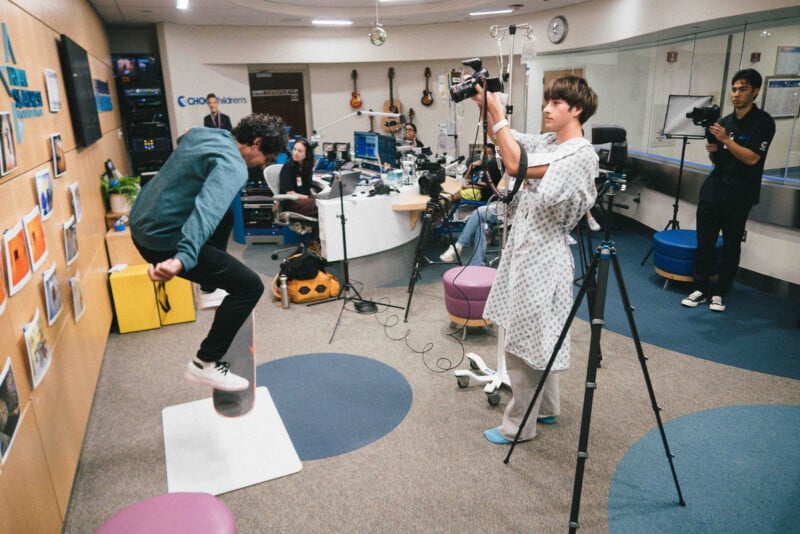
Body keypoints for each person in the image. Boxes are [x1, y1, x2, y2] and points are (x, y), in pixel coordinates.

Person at [474, 76, 599, 445]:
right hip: (526, 251)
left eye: (557, 103)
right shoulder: (549, 143)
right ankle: (547, 408)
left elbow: (514, 165)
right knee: (539, 334)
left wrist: (497, 109)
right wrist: (484, 103)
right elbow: (507, 140)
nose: (547, 108)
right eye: (548, 101)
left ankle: (517, 427)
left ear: (577, 110)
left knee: (521, 341)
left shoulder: (579, 155)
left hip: (544, 256)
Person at [129, 113, 287, 391]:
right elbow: (205, 211)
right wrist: (182, 259)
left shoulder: (205, 135)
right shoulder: (233, 166)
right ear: (256, 142)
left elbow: (186, 136)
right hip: (164, 243)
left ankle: (209, 285)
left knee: (226, 214)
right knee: (250, 287)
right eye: (268, 158)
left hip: (142, 222)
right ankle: (204, 363)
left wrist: (189, 133)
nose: (264, 165)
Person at [681, 69, 775, 313]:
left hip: (740, 193)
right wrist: (713, 149)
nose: (736, 94)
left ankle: (720, 292)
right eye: (734, 89)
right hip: (715, 188)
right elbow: (717, 160)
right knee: (705, 241)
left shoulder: (763, 122)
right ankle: (700, 287)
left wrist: (727, 141)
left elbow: (752, 158)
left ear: (755, 91)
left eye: (742, 89)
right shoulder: (724, 122)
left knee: (731, 243)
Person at [199, 92, 235, 306]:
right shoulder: (206, 122)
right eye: (210, 103)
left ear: (218, 104)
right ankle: (211, 281)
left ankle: (214, 279)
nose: (212, 106)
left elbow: (229, 136)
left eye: (215, 103)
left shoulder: (226, 119)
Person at [279, 138, 318, 218]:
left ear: (306, 154)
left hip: (304, 200)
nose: (295, 153)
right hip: (292, 202)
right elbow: (290, 193)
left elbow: (307, 186)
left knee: (323, 203)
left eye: (300, 151)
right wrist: (308, 197)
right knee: (320, 206)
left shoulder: (307, 166)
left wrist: (314, 194)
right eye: (294, 149)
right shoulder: (288, 167)